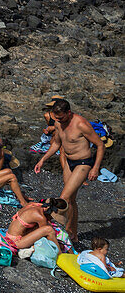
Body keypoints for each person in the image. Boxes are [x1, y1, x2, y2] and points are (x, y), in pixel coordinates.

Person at [34, 97, 104, 241]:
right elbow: (56, 144)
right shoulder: (59, 124)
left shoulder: (81, 124)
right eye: (56, 119)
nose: (59, 121)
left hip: (83, 163)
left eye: (61, 118)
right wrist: (42, 160)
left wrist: (95, 168)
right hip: (69, 162)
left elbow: (100, 145)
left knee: (63, 197)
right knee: (71, 199)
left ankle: (54, 228)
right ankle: (73, 233)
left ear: (69, 113)